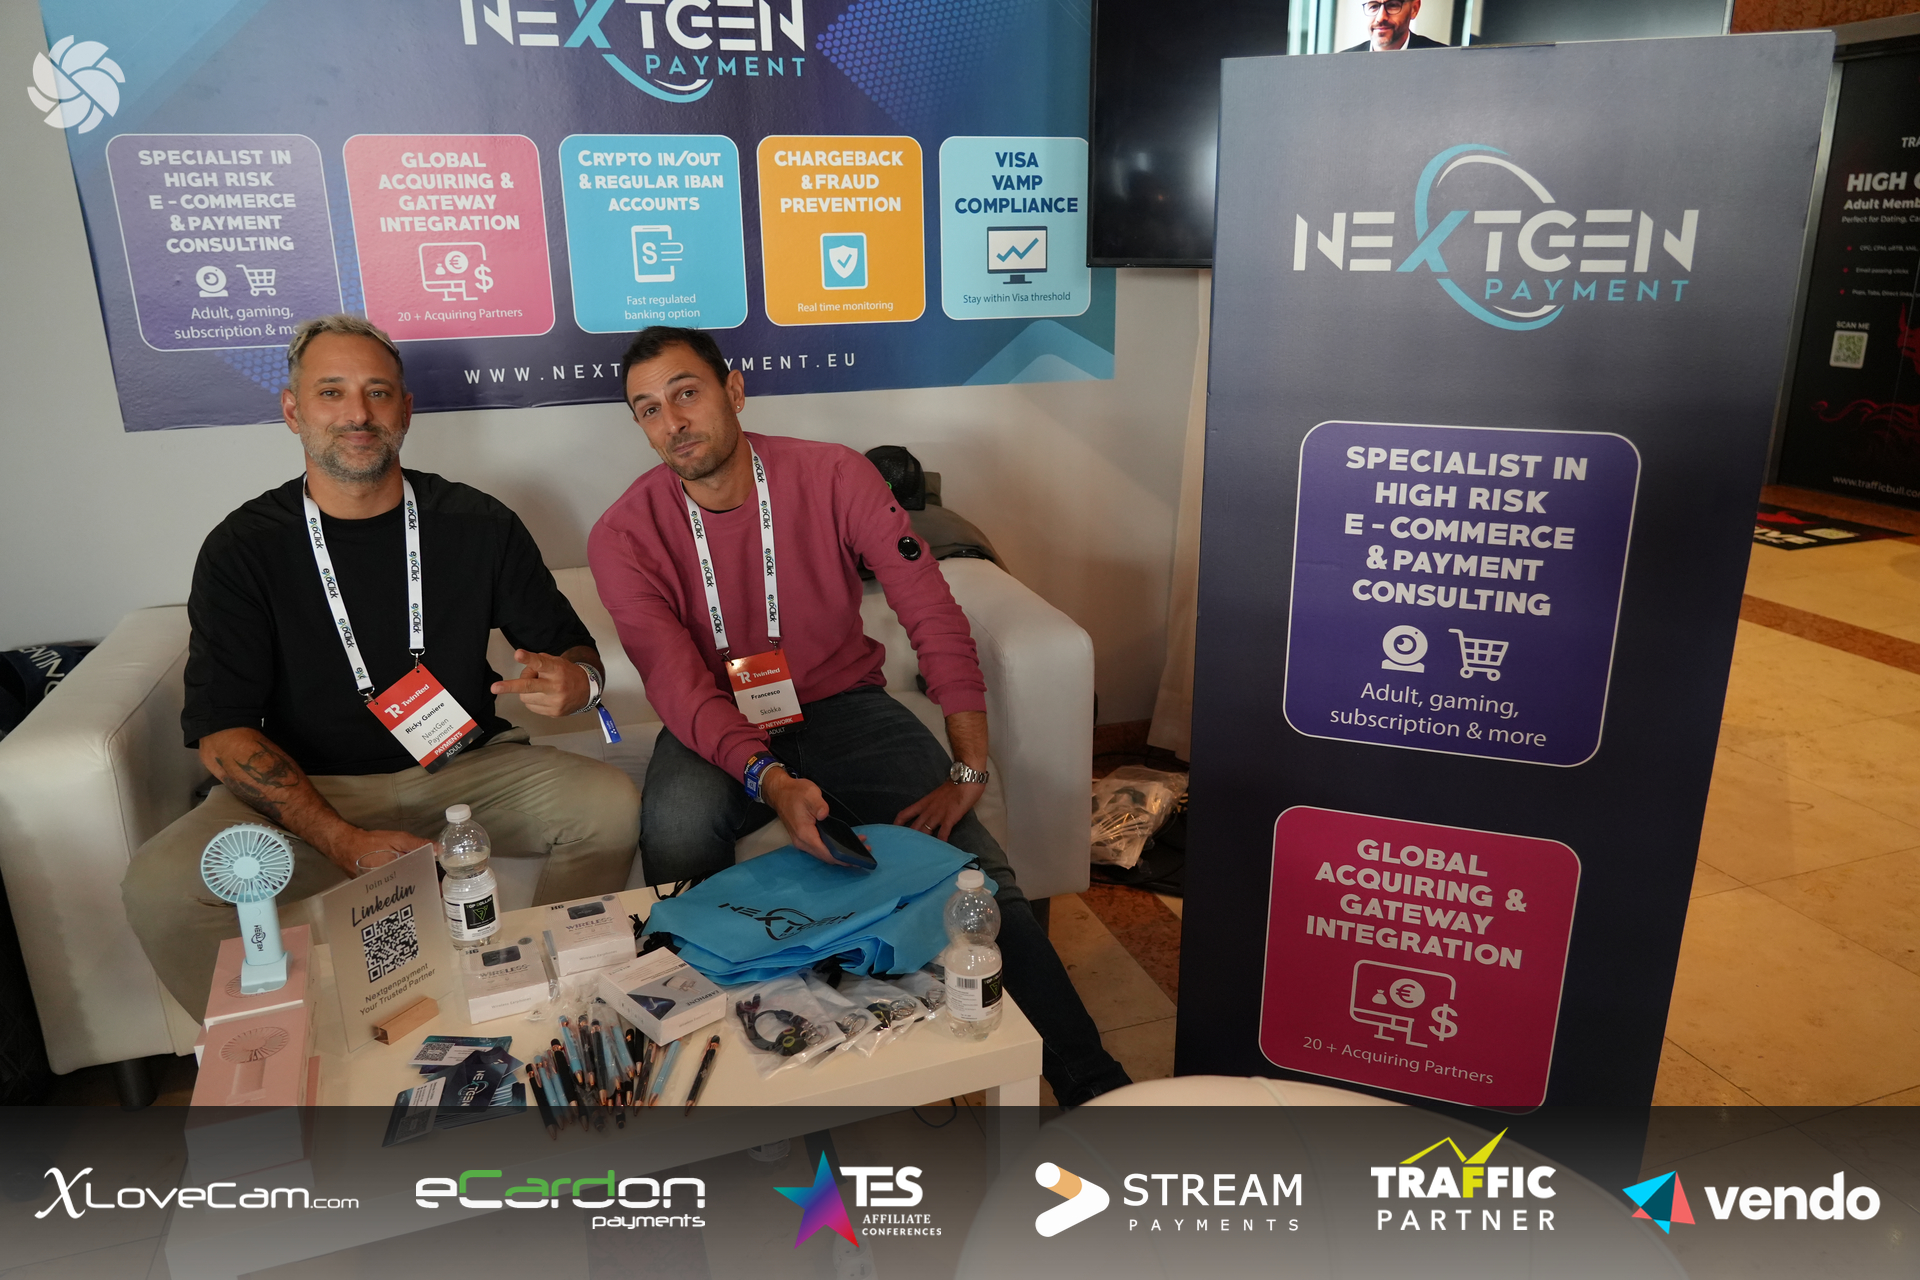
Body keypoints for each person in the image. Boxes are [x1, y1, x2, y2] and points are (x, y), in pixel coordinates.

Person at [587, 326, 1132, 1106]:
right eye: (648, 409)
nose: (672, 421)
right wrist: (770, 779)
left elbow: (930, 611)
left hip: (847, 707)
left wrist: (969, 764)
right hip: (719, 727)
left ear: (733, 391)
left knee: (973, 876)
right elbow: (678, 688)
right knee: (676, 840)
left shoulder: (834, 474)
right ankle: (733, 1084)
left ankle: (1097, 1092)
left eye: (687, 393)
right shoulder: (622, 535)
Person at [122, 315, 640, 1020]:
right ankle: (272, 1049)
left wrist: (581, 683)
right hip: (312, 790)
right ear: (293, 411)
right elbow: (223, 735)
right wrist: (341, 839)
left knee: (609, 804)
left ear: (405, 408)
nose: (358, 414)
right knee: (160, 887)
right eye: (331, 392)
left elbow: (574, 651)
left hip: (465, 772)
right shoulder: (244, 549)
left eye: (377, 392)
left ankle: (545, 1001)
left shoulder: (476, 522)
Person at [1342, 0, 1448, 51]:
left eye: (1393, 5)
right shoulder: (1343, 64)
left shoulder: (1444, 59)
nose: (1380, 18)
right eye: (1373, 6)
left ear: (1414, 9)